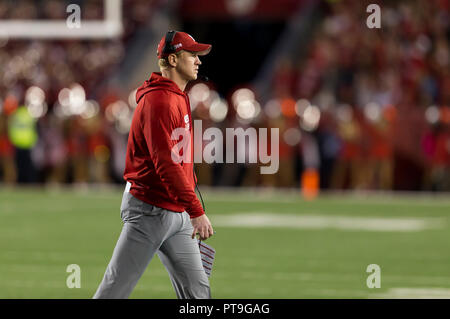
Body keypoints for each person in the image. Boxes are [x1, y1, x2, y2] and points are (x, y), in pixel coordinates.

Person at [93, 31, 214, 299]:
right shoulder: (160, 100)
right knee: (114, 289)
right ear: (173, 59)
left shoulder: (175, 95)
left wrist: (188, 205)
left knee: (198, 291)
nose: (198, 61)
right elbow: (166, 164)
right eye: (192, 54)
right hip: (150, 210)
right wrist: (196, 210)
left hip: (175, 210)